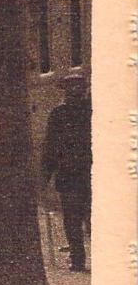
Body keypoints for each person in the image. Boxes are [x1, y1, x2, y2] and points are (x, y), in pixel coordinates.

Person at [42, 71, 92, 271]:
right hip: (69, 175)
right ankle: (77, 259)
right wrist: (45, 176)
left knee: (93, 218)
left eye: (79, 87)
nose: (75, 91)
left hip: (92, 173)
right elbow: (50, 146)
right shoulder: (58, 114)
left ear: (84, 89)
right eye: (70, 88)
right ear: (65, 91)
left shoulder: (93, 111)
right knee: (72, 219)